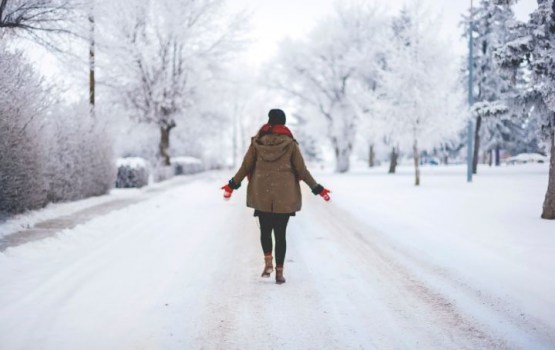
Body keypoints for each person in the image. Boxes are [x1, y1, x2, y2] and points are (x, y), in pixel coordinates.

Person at [221, 109, 330, 285]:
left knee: (265, 230)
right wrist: (318, 189)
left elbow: (245, 166)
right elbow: (301, 171)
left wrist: (232, 185)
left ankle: (268, 263)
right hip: (284, 195)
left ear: (270, 122)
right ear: (283, 123)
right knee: (280, 234)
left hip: (261, 192)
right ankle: (279, 273)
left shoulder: (257, 143)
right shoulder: (290, 144)